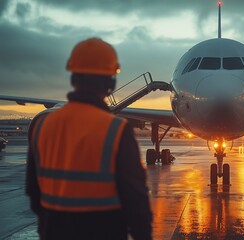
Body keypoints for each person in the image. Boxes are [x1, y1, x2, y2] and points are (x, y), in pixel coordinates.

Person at [26, 38, 152, 240]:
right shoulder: (116, 129)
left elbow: (33, 194)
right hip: (103, 231)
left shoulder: (42, 125)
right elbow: (135, 200)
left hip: (53, 231)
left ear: (73, 77)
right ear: (111, 82)